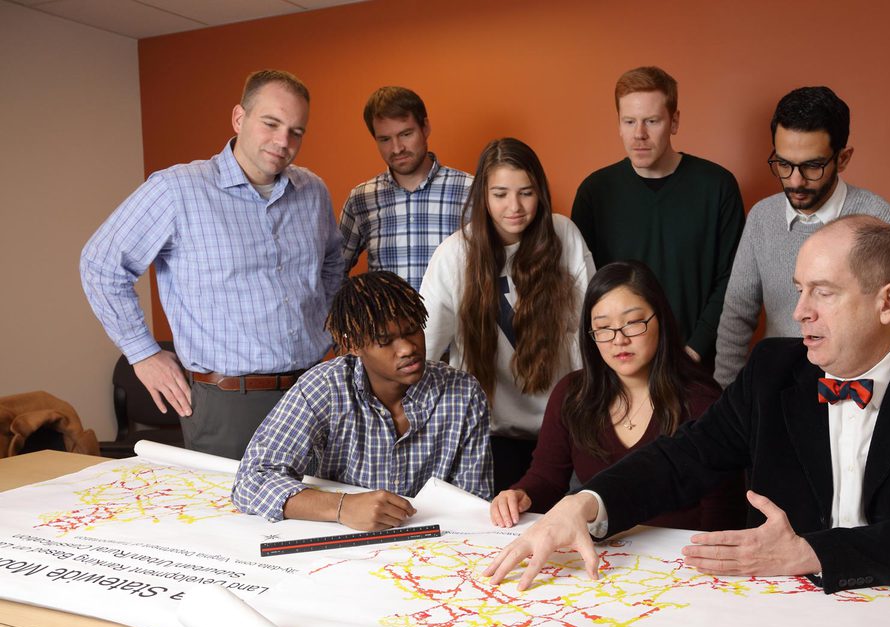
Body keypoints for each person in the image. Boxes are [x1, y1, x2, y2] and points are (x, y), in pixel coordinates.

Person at [485, 216, 890, 593]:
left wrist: (811, 553)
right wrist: (585, 504)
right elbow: (683, 458)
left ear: (888, 302)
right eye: (798, 289)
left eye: (823, 292)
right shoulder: (773, 370)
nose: (799, 311)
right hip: (793, 610)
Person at [81, 69, 344, 460]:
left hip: (315, 389)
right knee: (234, 520)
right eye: (271, 123)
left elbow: (332, 263)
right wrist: (142, 353)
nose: (283, 141)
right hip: (228, 404)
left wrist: (329, 331)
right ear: (239, 118)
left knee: (332, 513)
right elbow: (100, 264)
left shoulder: (312, 191)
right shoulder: (177, 189)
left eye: (296, 131)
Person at [714, 86, 890, 388]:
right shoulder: (761, 217)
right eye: (783, 164)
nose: (795, 181)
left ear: (843, 159)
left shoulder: (881, 220)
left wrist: (889, 409)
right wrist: (726, 403)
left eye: (812, 166)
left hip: (863, 400)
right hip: (780, 394)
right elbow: (735, 321)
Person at [491, 261, 743, 531]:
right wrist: (520, 495)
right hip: (605, 557)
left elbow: (724, 513)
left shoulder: (702, 401)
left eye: (633, 323)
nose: (618, 339)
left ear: (661, 319)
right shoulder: (572, 394)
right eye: (603, 328)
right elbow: (547, 479)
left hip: (680, 562)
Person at [232, 271, 491, 529]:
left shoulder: (463, 393)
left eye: (412, 330)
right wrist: (342, 507)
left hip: (431, 548)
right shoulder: (324, 387)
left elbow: (473, 503)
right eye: (384, 341)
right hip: (341, 547)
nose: (407, 349)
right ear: (354, 345)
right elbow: (251, 480)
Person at [422, 138, 594, 491]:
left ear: (541, 193)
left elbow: (587, 334)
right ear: (483, 196)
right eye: (500, 194)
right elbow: (423, 348)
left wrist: (589, 413)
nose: (514, 206)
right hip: (489, 438)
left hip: (562, 432)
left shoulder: (564, 235)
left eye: (526, 193)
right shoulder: (454, 255)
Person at [571, 66, 744, 367]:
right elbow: (585, 285)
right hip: (619, 366)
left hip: (696, 365)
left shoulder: (717, 186)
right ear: (619, 125)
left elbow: (733, 279)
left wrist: (694, 349)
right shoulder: (594, 192)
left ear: (674, 121)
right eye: (629, 121)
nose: (639, 134)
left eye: (652, 121)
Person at [339, 86, 472, 291]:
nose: (397, 148)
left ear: (425, 127)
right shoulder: (361, 199)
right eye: (384, 139)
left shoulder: (470, 190)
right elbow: (333, 274)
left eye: (406, 134)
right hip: (386, 323)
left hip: (455, 323)